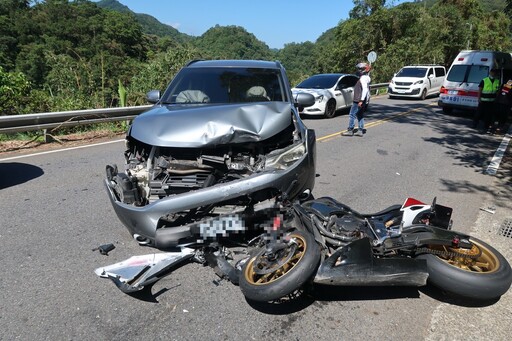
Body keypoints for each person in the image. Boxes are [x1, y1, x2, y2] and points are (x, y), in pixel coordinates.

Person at [342, 62, 371, 137]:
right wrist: (365, 100)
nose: (358, 70)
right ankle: (360, 130)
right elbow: (367, 90)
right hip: (362, 99)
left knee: (352, 114)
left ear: (363, 70)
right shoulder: (366, 78)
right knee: (360, 114)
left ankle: (350, 130)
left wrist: (361, 100)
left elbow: (365, 90)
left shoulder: (363, 78)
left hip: (358, 100)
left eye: (360, 69)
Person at [474, 68, 500, 133]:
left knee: (488, 115)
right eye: (492, 72)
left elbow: (497, 91)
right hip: (483, 100)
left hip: (491, 101)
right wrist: (479, 98)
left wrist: (496, 99)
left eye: (494, 73)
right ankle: (475, 123)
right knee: (479, 113)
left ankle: (486, 126)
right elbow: (480, 90)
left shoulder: (497, 81)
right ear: (490, 72)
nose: (493, 74)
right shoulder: (484, 80)